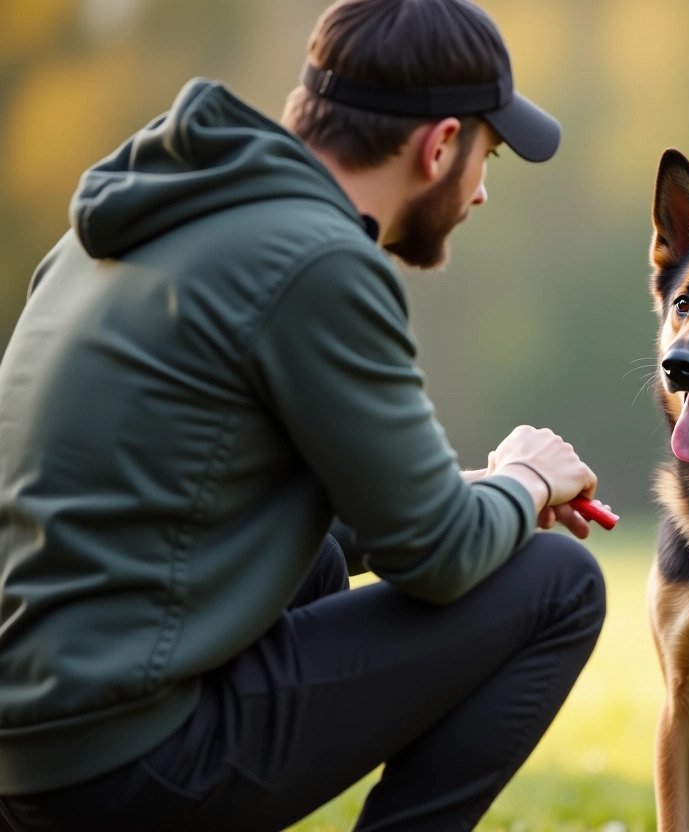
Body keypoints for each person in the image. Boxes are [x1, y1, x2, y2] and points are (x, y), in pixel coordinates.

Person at [0, 0, 608, 829]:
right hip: (124, 761)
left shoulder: (136, 223)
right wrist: (525, 482)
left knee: (316, 565)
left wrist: (477, 491)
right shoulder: (316, 261)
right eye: (486, 154)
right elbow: (439, 556)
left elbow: (187, 505)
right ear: (437, 147)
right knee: (557, 584)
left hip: (34, 742)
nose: (483, 191)